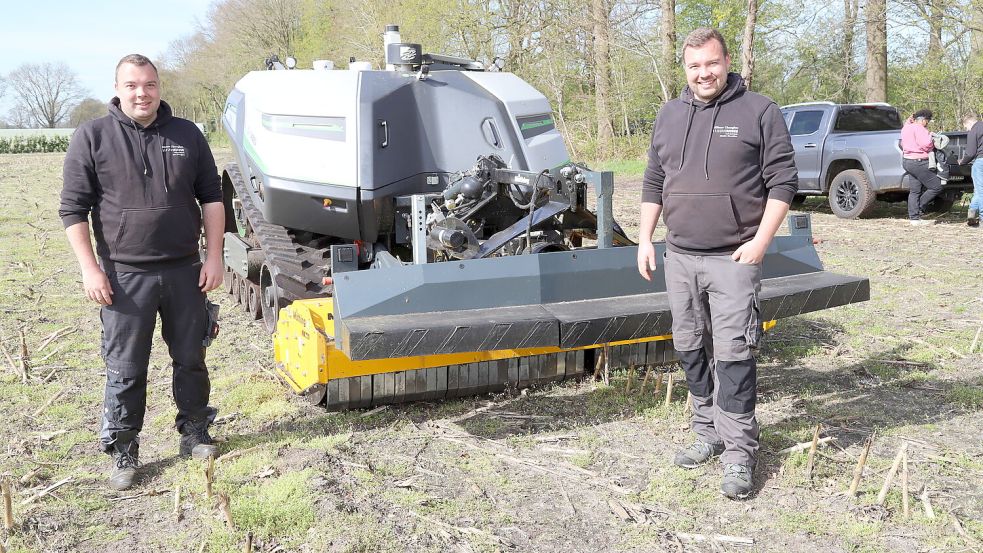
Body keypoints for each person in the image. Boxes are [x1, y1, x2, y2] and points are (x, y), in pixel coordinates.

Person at [636, 28, 798, 500]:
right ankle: (706, 433)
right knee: (689, 348)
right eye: (693, 66)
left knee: (733, 356)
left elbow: (783, 183)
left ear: (727, 61)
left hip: (733, 257)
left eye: (711, 63)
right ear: (684, 69)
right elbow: (653, 180)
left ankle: (739, 453)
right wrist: (646, 239)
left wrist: (761, 242)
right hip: (679, 256)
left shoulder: (759, 111)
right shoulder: (668, 114)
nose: (703, 73)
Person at [59, 54, 225, 491]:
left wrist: (214, 256)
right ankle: (123, 449)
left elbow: (211, 198)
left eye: (149, 84)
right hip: (123, 277)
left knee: (191, 357)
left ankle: (194, 432)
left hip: (186, 269)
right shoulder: (92, 136)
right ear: (117, 88)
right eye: (132, 85)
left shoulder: (187, 134)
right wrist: (90, 269)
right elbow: (72, 209)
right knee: (126, 368)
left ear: (159, 87)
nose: (141, 93)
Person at [901, 109, 944, 226]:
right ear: (923, 120)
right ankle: (919, 206)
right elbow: (926, 144)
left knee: (915, 190)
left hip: (907, 161)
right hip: (918, 162)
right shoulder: (919, 128)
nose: (928, 123)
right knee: (936, 186)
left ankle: (914, 218)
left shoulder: (906, 127)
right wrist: (930, 136)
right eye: (928, 121)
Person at [958, 114, 982, 227]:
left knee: (981, 191)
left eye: (966, 127)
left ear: (968, 123)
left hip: (980, 162)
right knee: (978, 190)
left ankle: (982, 218)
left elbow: (971, 152)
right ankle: (971, 213)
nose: (967, 129)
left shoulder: (974, 130)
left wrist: (962, 161)